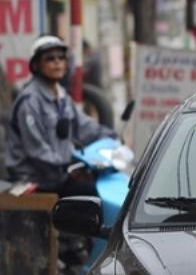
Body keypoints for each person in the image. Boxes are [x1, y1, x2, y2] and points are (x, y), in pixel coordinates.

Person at [4, 36, 115, 193]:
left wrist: (112, 136)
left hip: (60, 174)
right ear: (36, 65)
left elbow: (84, 127)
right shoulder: (29, 101)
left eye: (61, 58)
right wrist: (70, 163)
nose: (57, 62)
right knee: (90, 192)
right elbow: (37, 151)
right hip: (35, 179)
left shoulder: (62, 96)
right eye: (50, 59)